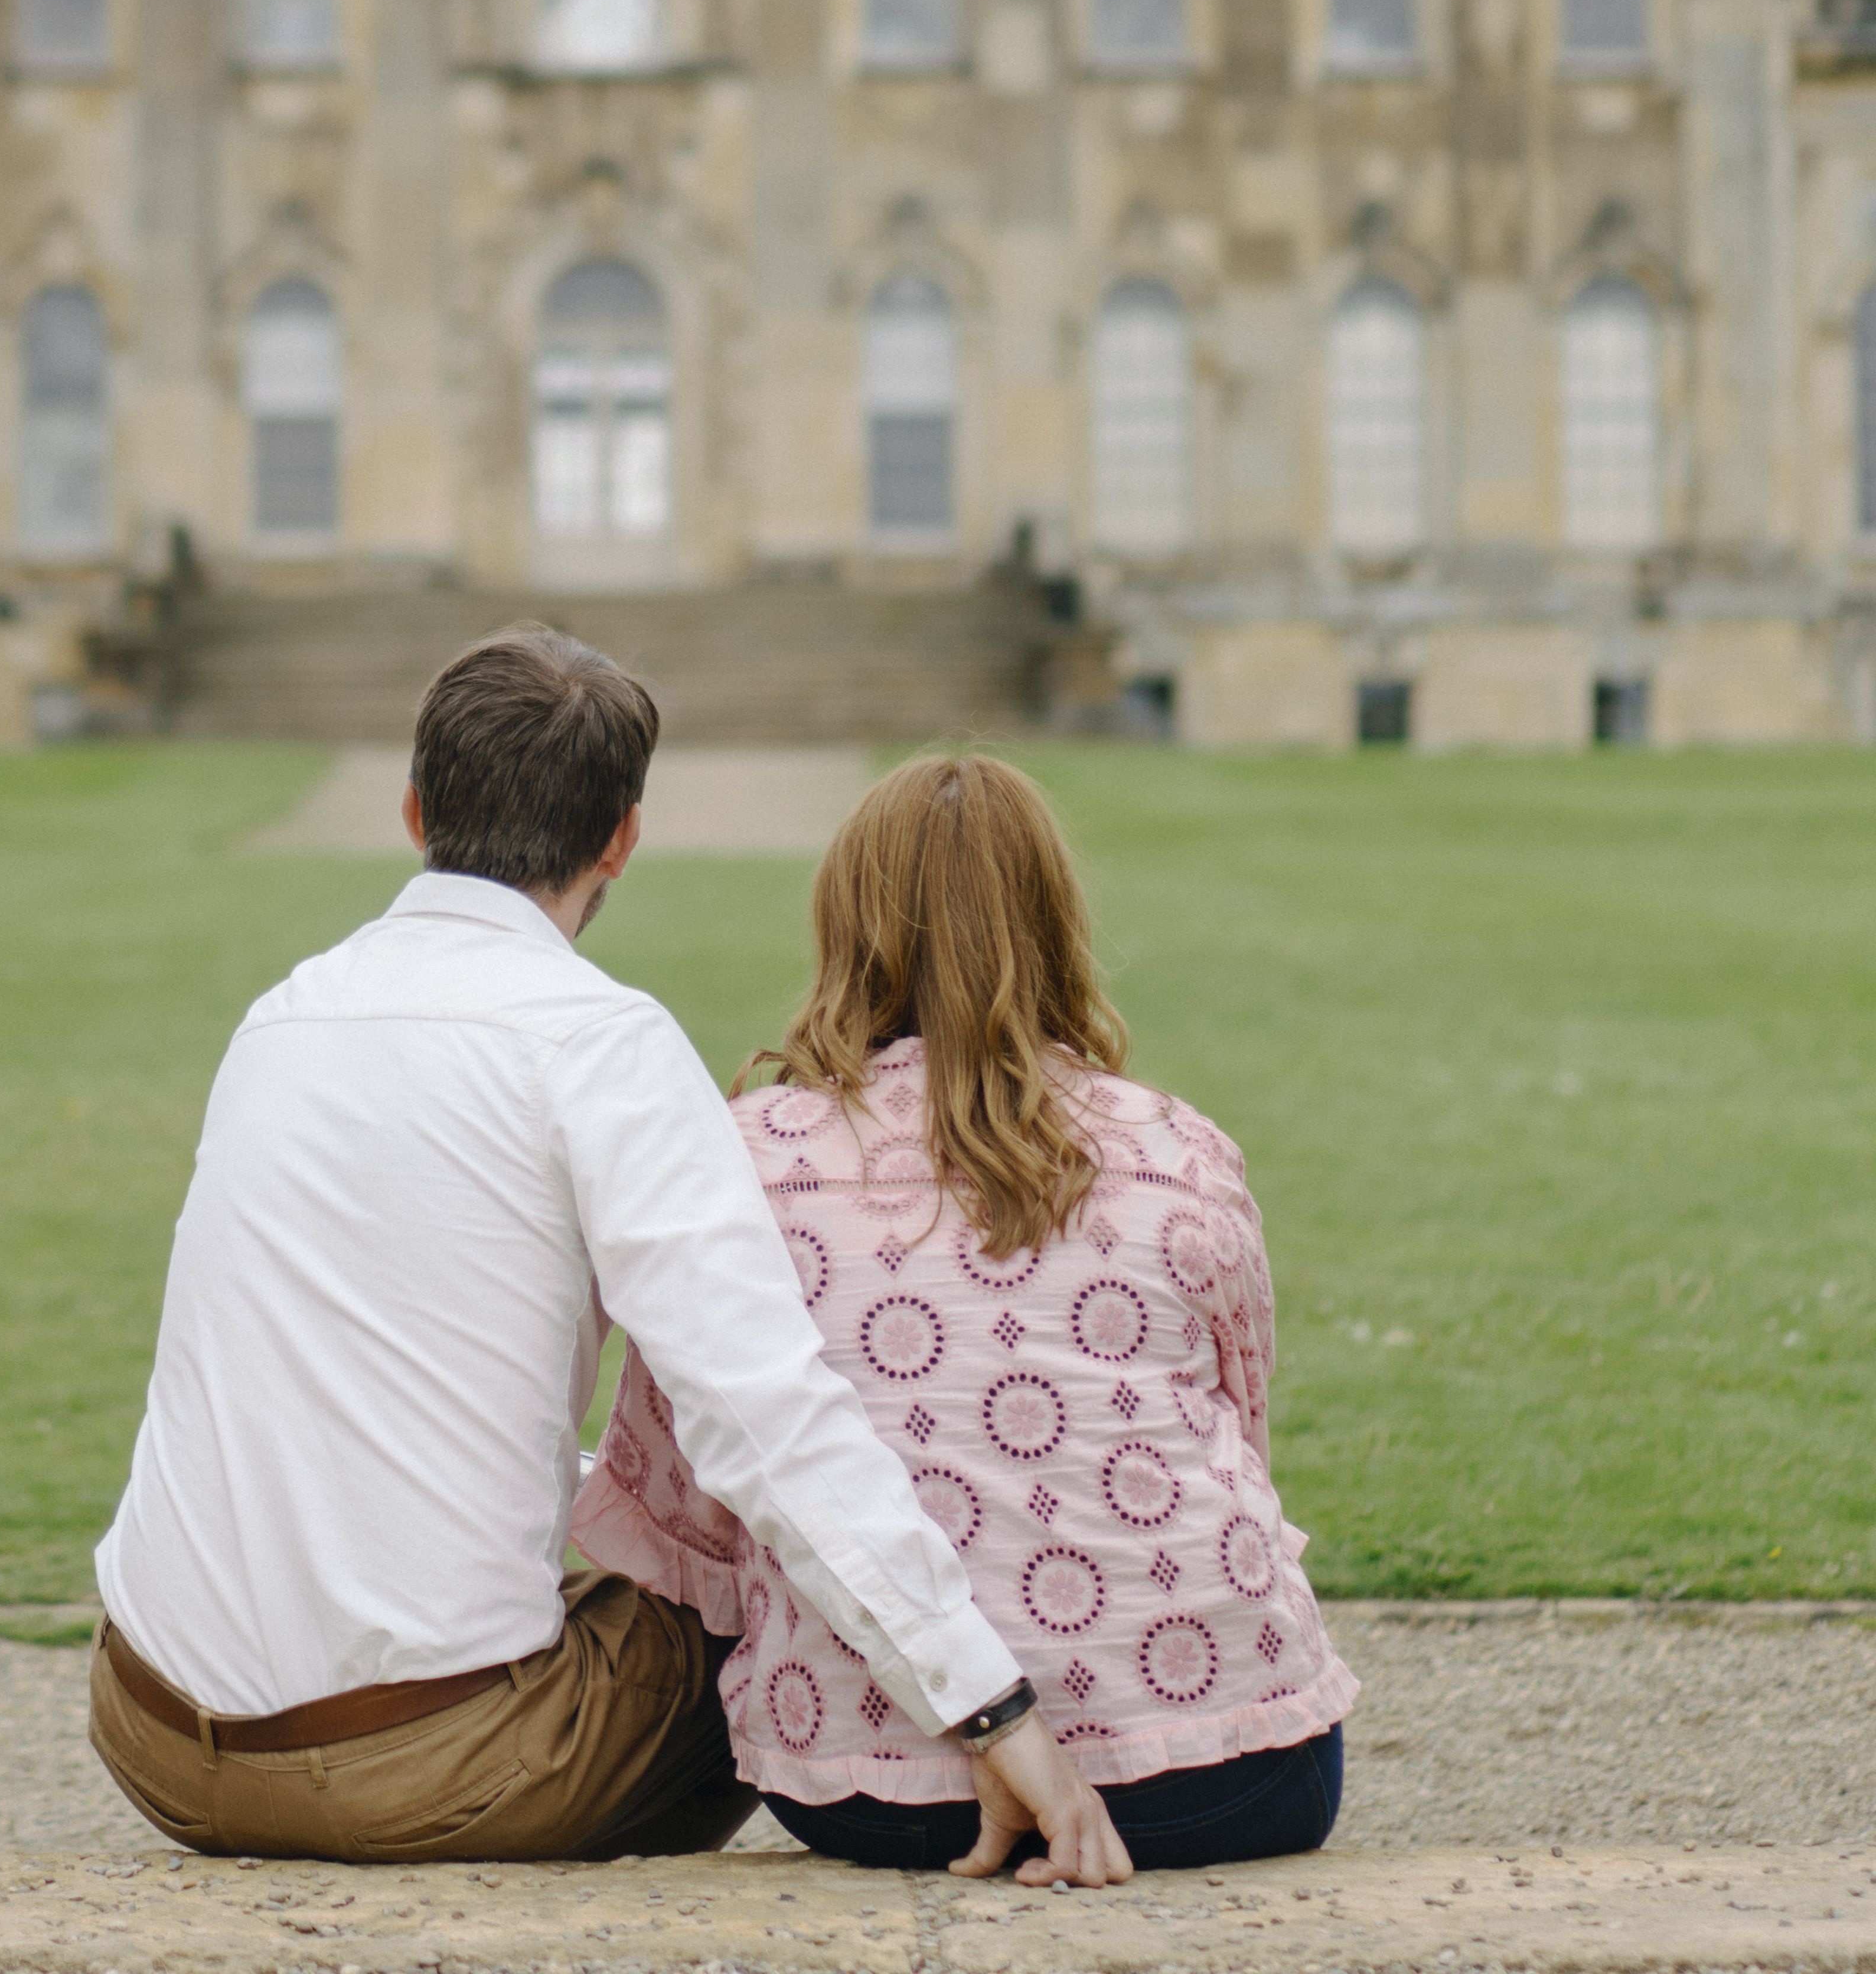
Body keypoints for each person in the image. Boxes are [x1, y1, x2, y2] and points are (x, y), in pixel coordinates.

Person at [90, 627, 1130, 1882]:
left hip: (147, 1730)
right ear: (621, 838)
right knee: (743, 1590)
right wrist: (989, 1703)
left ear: (415, 807)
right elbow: (758, 1410)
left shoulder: (282, 1012)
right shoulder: (599, 1041)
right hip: (420, 1769)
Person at [575, 748, 1352, 1874]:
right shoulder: (1179, 1150)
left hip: (866, 1786)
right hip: (1235, 1772)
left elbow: (689, 1514)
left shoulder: (747, 1161)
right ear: (1053, 920)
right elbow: (1236, 1433)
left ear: (846, 923)